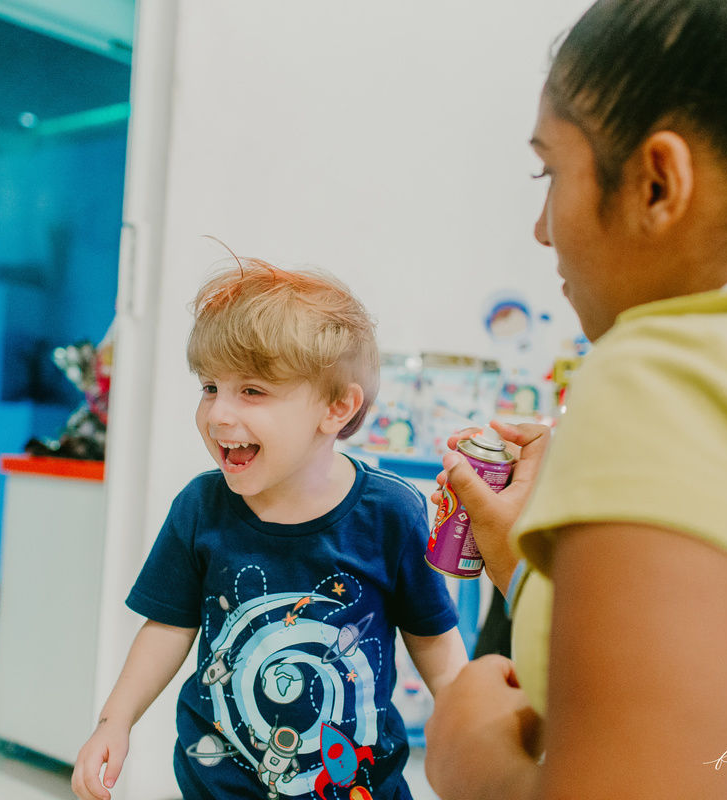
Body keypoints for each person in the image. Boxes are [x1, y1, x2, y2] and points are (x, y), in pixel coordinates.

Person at [422, 1, 727, 798]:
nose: (541, 230)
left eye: (550, 174)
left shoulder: (665, 377)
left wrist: (478, 766)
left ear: (657, 182)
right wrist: (527, 569)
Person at [72, 259, 469, 800]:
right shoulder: (200, 507)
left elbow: (435, 643)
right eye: (210, 387)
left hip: (358, 787)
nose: (218, 414)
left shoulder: (391, 513)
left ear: (337, 407)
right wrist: (114, 721)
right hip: (219, 785)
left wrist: (471, 730)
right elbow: (167, 627)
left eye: (252, 391)